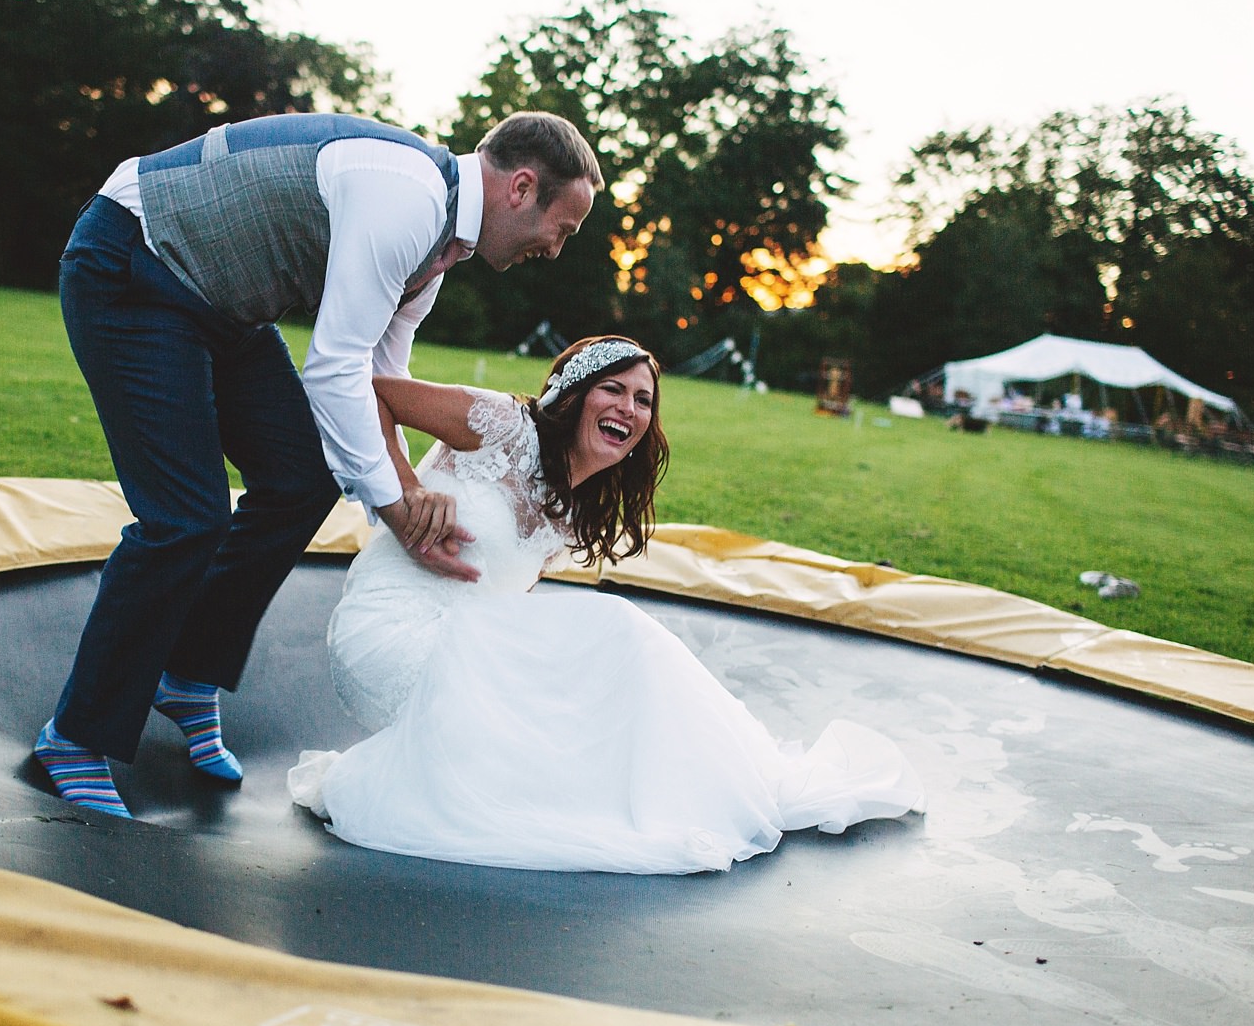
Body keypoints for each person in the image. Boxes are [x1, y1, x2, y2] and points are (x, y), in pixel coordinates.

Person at [36, 111, 603, 818]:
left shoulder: (438, 252)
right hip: (136, 263)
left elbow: (377, 384)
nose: (556, 248)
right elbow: (333, 369)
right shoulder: (409, 197)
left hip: (223, 304)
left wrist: (404, 491)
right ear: (522, 188)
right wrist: (399, 509)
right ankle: (76, 736)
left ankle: (185, 675)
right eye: (564, 227)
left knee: (303, 478)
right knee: (186, 516)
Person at [288, 337, 927, 874]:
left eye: (643, 400)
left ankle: (709, 778)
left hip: (461, 660)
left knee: (594, 676)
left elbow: (506, 606)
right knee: (612, 626)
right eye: (613, 389)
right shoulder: (504, 426)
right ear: (574, 395)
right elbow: (371, 391)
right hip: (389, 636)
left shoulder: (568, 512)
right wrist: (402, 494)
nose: (629, 407)